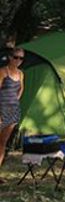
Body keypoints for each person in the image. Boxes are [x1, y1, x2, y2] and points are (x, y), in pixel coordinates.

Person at [0, 47, 25, 184]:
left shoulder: (21, 74)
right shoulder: (3, 72)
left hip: (13, 112)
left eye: (21, 58)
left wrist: (14, 100)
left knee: (2, 144)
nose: (18, 60)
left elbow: (21, 88)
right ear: (10, 57)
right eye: (16, 57)